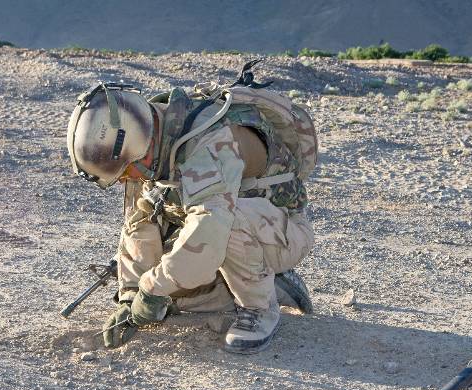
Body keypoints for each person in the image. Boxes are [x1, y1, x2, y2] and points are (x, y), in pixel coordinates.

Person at [65, 74, 316, 354]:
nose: (124, 180)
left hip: (279, 230)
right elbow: (139, 220)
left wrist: (152, 289)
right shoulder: (150, 137)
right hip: (233, 227)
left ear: (134, 145)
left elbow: (208, 233)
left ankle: (258, 308)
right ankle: (271, 284)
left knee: (221, 228)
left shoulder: (209, 144)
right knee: (171, 295)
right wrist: (132, 295)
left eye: (124, 172)